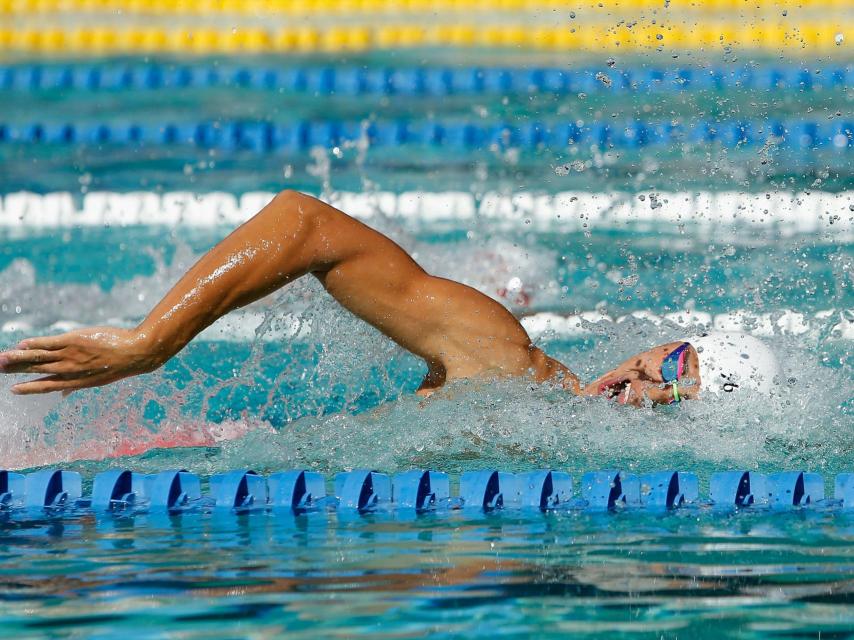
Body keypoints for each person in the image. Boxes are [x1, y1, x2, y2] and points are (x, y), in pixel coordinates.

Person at [0, 190, 780, 406]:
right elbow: (303, 223)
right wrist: (153, 342)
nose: (644, 379)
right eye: (666, 358)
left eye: (676, 389)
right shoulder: (505, 360)